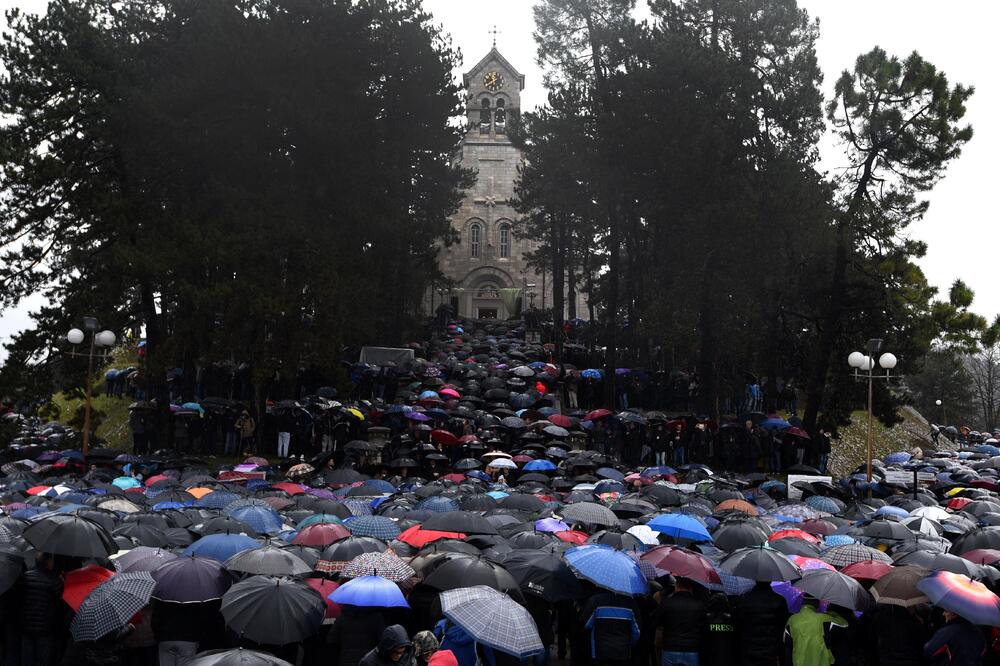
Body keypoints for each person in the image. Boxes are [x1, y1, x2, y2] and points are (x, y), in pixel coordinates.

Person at [15, 551, 65, 666]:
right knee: (42, 659)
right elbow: (60, 602)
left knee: (27, 659)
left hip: (26, 625)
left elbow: (19, 599)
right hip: (45, 627)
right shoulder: (53, 580)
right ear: (48, 562)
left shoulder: (25, 577)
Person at [733, 581, 790, 666]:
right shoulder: (779, 600)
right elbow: (783, 627)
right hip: (771, 652)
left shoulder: (744, 599)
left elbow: (738, 626)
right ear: (770, 581)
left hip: (749, 651)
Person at [655, 576, 706, 665]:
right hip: (691, 649)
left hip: (670, 647)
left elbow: (657, 622)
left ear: (676, 586)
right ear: (690, 588)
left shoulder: (667, 603)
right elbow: (703, 626)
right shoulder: (699, 605)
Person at [784, 599, 846, 666]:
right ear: (817, 603)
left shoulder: (791, 620)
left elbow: (787, 644)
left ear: (803, 602)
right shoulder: (824, 618)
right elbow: (844, 624)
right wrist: (832, 613)